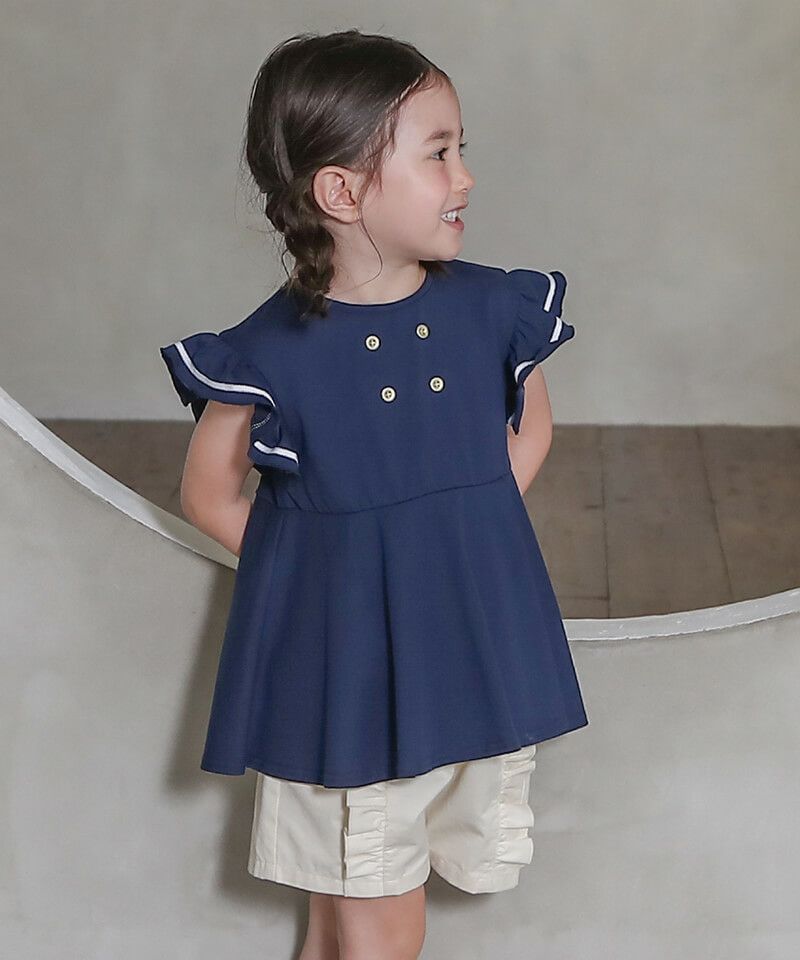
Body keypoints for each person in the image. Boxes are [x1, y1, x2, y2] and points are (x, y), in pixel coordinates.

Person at [159, 28, 589, 960]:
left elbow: (530, 431)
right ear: (342, 192)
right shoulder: (267, 354)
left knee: (352, 905)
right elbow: (209, 495)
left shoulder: (492, 308)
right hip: (346, 671)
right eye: (437, 153)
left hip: (469, 647)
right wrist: (325, 571)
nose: (465, 176)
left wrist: (460, 534)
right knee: (372, 905)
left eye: (461, 148)